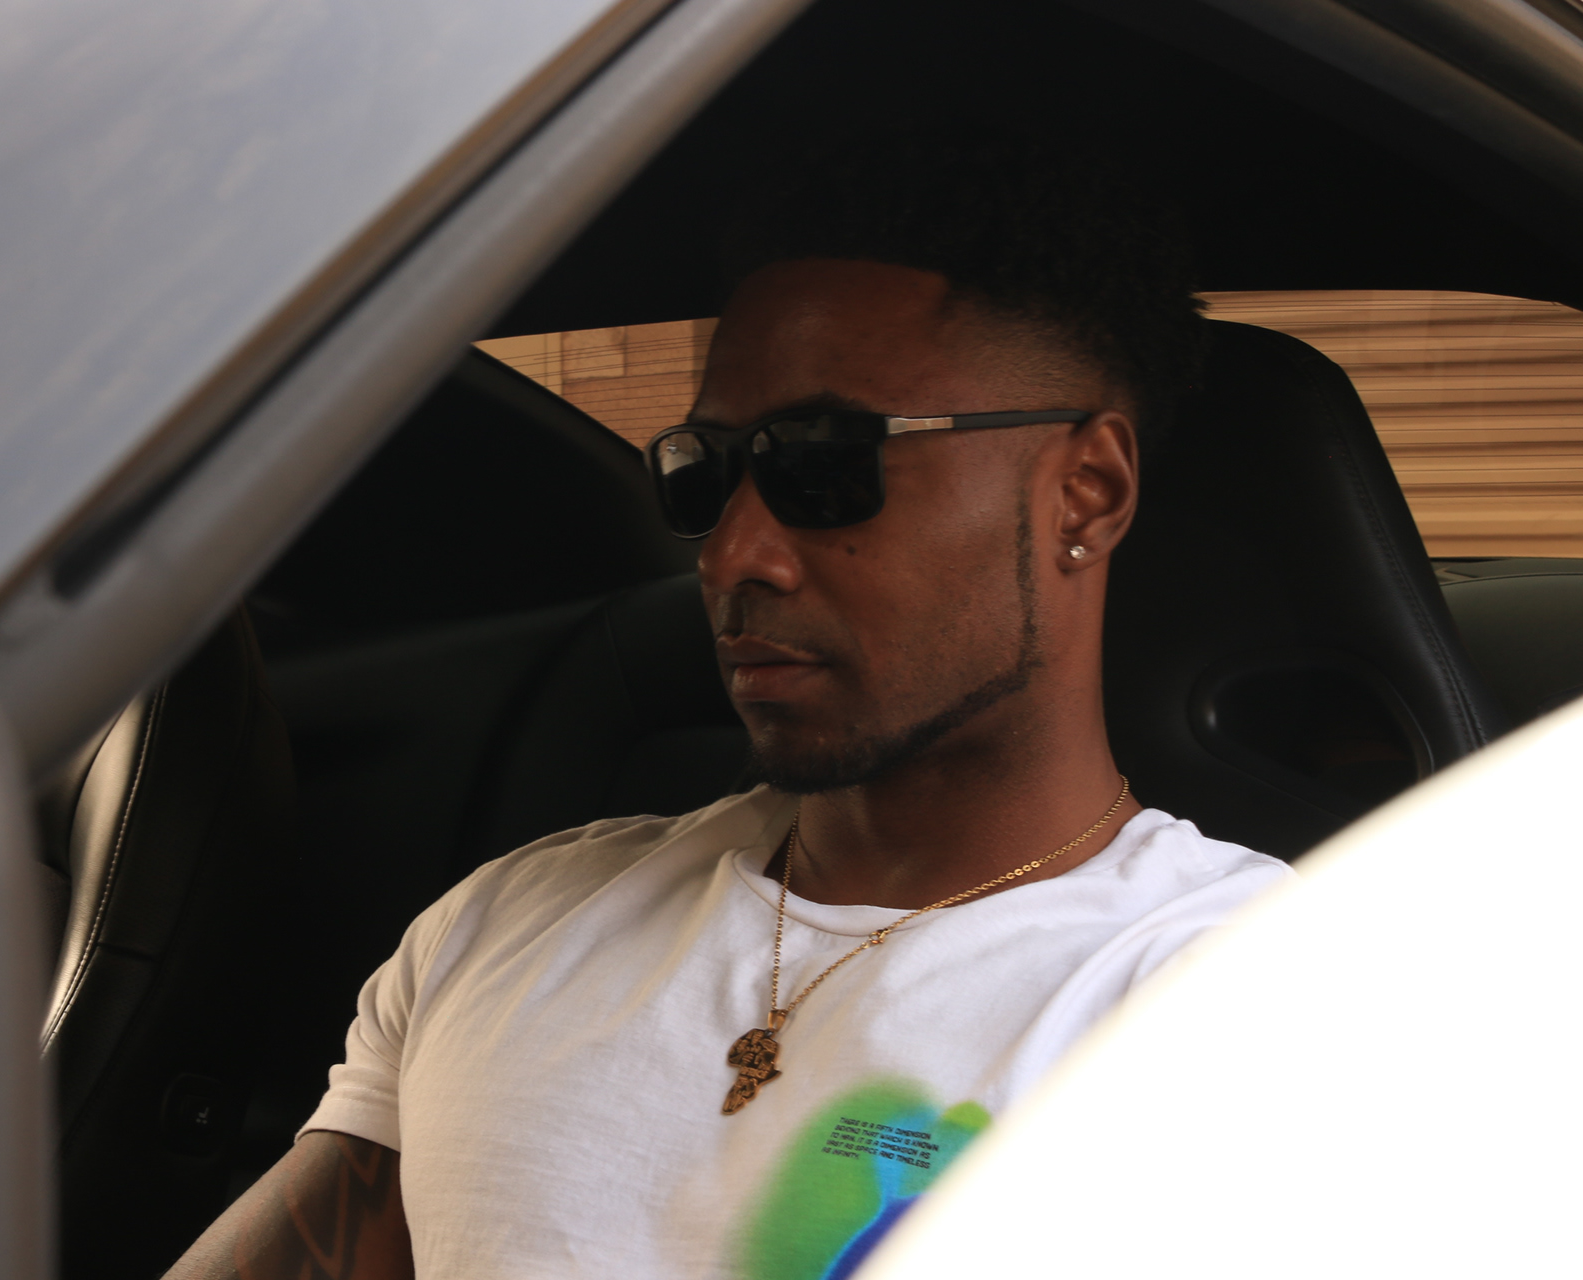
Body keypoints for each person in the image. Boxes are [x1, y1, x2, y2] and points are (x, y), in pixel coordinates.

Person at [165, 130, 1293, 1280]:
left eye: (824, 463)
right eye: (705, 470)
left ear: (1086, 492)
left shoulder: (1259, 999)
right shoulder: (509, 920)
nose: (731, 552)